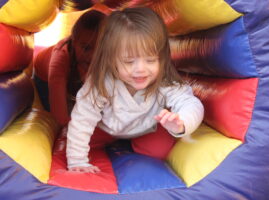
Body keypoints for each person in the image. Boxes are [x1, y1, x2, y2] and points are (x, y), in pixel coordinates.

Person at [66, 7, 204, 173]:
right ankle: (108, 143)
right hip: (106, 129)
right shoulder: (101, 82)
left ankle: (133, 144)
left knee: (159, 150)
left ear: (162, 57)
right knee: (77, 137)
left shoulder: (164, 82)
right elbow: (83, 118)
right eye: (129, 61)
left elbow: (191, 103)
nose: (140, 69)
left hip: (145, 130)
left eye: (150, 60)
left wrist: (181, 123)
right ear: (111, 59)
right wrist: (77, 161)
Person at [33, 10, 106, 127]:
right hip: (44, 77)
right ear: (74, 41)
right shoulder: (60, 59)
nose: (93, 56)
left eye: (100, 49)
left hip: (76, 72)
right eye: (86, 48)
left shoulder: (111, 54)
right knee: (59, 114)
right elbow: (59, 114)